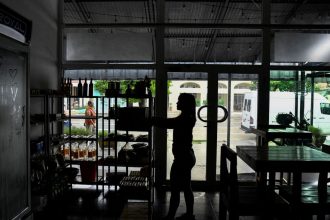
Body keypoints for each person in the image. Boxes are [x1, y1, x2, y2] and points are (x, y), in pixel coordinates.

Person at [151, 93, 197, 220]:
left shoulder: (186, 118)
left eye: (179, 101)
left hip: (182, 159)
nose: (176, 103)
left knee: (175, 188)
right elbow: (170, 122)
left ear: (185, 104)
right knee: (186, 187)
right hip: (187, 156)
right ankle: (189, 214)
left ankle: (170, 216)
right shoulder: (187, 116)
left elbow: (168, 123)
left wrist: (152, 119)